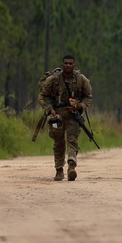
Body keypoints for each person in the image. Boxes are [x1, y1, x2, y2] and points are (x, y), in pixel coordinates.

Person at [38, 54, 93, 182]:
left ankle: (71, 166)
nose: (68, 65)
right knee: (58, 143)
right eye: (66, 63)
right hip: (56, 116)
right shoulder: (54, 79)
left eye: (70, 63)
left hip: (73, 115)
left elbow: (88, 97)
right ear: (62, 65)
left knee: (72, 139)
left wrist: (79, 106)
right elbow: (43, 96)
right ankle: (59, 170)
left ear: (74, 65)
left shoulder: (81, 80)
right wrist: (50, 109)